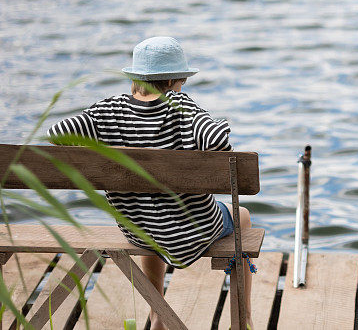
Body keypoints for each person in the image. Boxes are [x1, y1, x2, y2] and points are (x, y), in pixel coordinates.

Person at [48, 36, 254, 330]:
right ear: (171, 80)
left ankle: (157, 314)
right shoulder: (181, 105)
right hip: (191, 231)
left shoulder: (107, 109)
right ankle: (243, 316)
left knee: (151, 217)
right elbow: (218, 141)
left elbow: (57, 133)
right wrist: (219, 124)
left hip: (138, 230)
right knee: (242, 217)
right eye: (182, 79)